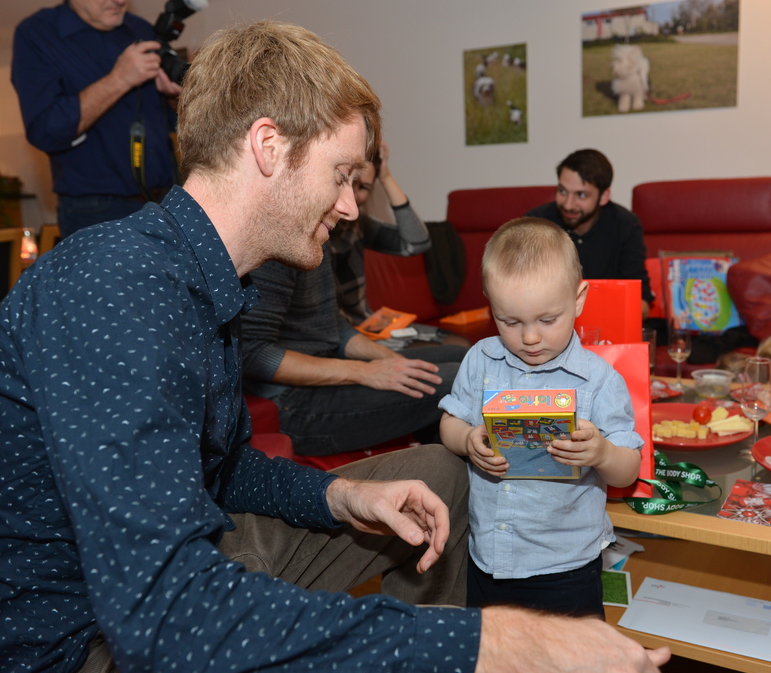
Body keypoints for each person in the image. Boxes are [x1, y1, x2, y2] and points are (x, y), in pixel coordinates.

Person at [0, 21, 670, 673]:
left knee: (439, 473)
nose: (349, 205)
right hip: (83, 648)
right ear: (268, 147)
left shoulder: (205, 281)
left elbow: (223, 467)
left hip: (173, 570)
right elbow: (168, 622)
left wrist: (340, 494)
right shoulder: (116, 289)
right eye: (340, 174)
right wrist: (506, 645)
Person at [439, 218, 643, 618]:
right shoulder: (481, 360)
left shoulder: (600, 380)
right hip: (488, 557)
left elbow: (628, 470)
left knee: (571, 655)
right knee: (491, 650)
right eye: (510, 322)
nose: (530, 338)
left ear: (578, 300)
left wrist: (603, 453)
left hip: (566, 566)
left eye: (547, 320)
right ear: (491, 305)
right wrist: (466, 439)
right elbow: (450, 422)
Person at [241, 243, 466, 455]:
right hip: (289, 403)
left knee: (464, 357)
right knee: (460, 377)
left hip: (326, 367)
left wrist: (391, 360)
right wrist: (364, 371)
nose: (352, 216)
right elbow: (252, 354)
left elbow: (331, 324)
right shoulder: (274, 252)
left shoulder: (318, 238)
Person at [11, 0, 183, 238]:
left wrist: (173, 97)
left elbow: (169, 120)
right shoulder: (37, 33)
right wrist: (119, 80)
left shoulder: (140, 29)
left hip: (165, 201)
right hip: (96, 211)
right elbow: (45, 130)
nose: (119, 1)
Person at [329, 139, 469, 348]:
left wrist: (385, 177)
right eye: (350, 182)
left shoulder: (357, 225)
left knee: (459, 345)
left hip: (367, 327)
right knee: (452, 354)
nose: (354, 195)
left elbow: (417, 243)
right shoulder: (314, 232)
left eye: (364, 187)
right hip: (342, 339)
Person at [526, 149, 653, 319]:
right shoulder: (535, 224)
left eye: (581, 195)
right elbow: (520, 292)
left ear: (604, 196)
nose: (568, 205)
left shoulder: (626, 225)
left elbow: (641, 302)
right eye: (562, 191)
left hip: (607, 324)